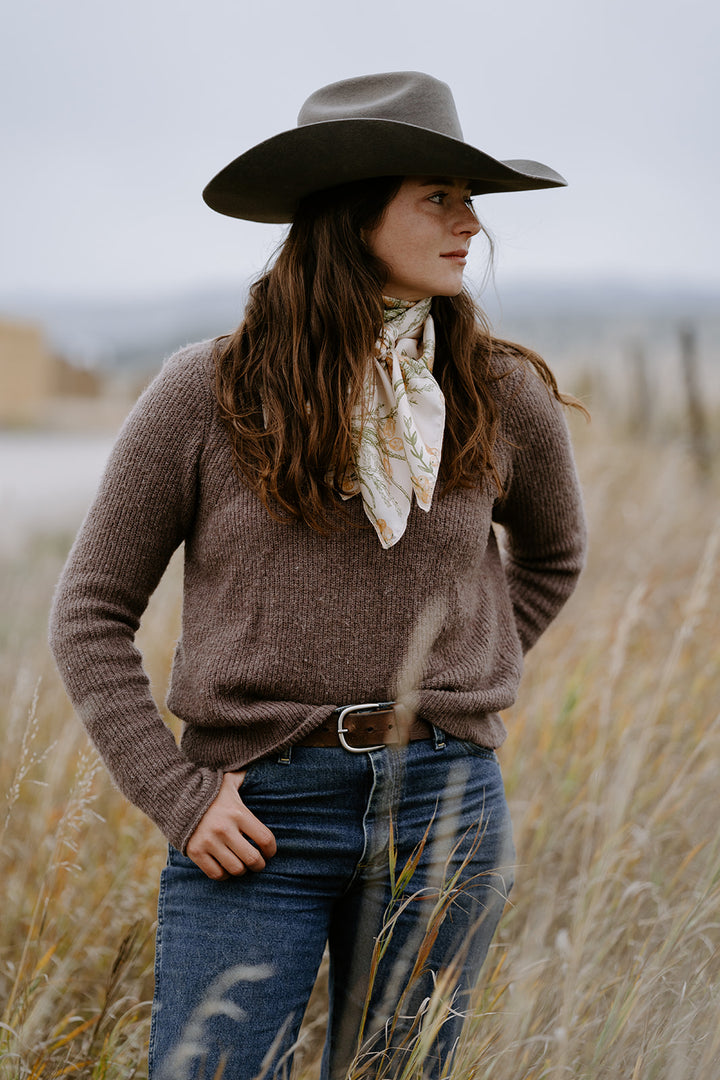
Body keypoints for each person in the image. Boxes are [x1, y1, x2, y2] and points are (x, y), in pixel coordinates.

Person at [49, 71, 587, 1080]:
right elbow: (89, 613)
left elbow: (554, 558)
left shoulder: (499, 390)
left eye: (471, 199)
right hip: (257, 816)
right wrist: (178, 795)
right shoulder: (204, 393)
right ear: (353, 213)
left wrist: (461, 665)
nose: (472, 222)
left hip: (446, 807)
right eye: (440, 195)